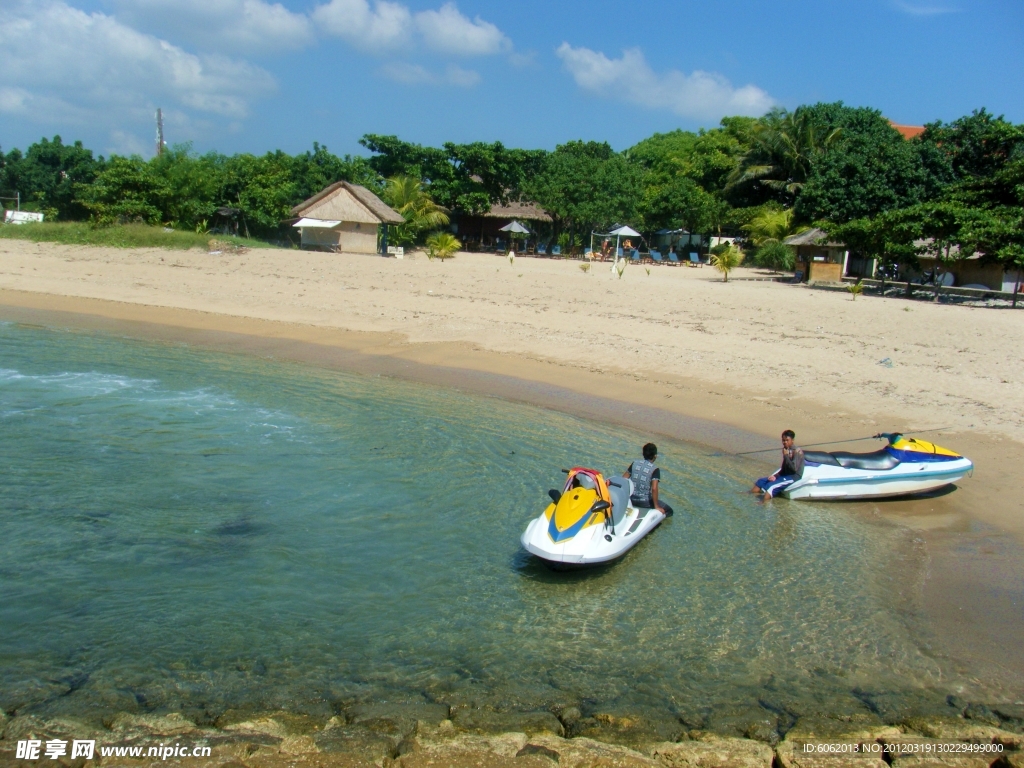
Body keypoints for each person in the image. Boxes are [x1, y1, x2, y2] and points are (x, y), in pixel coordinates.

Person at [753, 430, 804, 501]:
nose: (785, 442)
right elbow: (784, 468)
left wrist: (785, 455)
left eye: (787, 440)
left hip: (793, 476)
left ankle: (762, 503)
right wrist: (775, 476)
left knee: (771, 486)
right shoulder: (786, 449)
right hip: (785, 475)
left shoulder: (797, 451)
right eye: (783, 440)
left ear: (792, 440)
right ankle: (749, 496)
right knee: (761, 481)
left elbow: (794, 469)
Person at [624, 443, 673, 515]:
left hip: (631, 499)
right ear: (655, 456)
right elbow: (654, 488)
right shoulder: (655, 469)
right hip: (645, 502)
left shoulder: (634, 463)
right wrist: (656, 506)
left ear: (643, 454)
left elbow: (624, 479)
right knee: (669, 510)